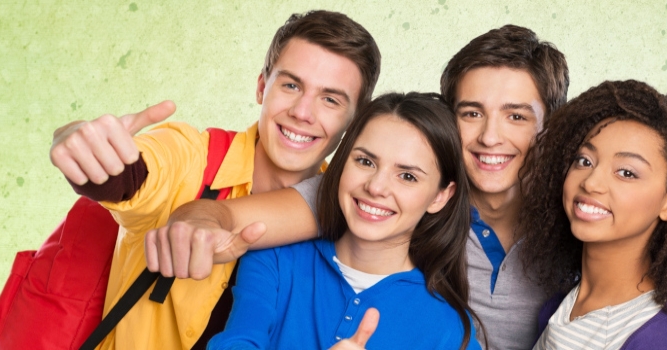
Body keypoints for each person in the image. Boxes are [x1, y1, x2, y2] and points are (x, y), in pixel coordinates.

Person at [145, 24, 568, 350]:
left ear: (552, 124)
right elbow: (225, 219)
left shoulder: (577, 225)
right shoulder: (350, 199)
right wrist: (195, 223)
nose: (490, 137)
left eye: (516, 117)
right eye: (471, 113)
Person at [47, 10, 380, 350]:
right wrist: (83, 146)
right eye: (291, 85)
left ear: (355, 122)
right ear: (262, 86)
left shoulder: (350, 213)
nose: (302, 112)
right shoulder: (193, 155)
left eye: (330, 99)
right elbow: (134, 176)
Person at [208, 92, 480, 350]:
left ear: (440, 197)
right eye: (365, 161)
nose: (376, 187)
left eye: (407, 176)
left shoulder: (450, 326)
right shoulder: (274, 259)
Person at [519, 80, 667, 350]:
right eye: (585, 161)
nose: (591, 182)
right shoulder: (559, 303)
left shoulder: (661, 338)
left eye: (626, 172)